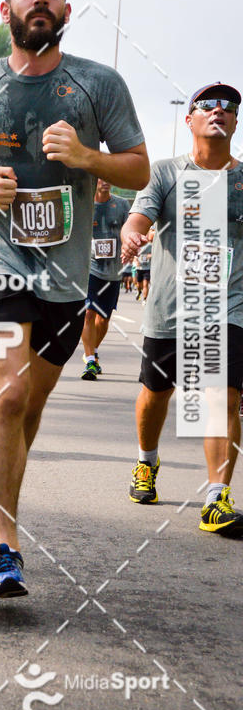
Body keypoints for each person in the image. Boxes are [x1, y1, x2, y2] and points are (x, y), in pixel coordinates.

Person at [0, 0, 148, 598]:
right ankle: (5, 548)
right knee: (10, 393)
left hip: (67, 278)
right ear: (6, 9)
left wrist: (86, 157)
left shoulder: (99, 85)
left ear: (68, 11)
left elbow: (138, 169)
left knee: (29, 407)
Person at [122, 81, 243, 536]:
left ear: (235, 122)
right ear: (188, 118)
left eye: (229, 106)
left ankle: (216, 497)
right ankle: (146, 462)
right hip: (172, 307)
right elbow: (140, 215)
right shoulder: (165, 172)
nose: (219, 110)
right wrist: (131, 234)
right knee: (157, 393)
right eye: (207, 104)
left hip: (228, 305)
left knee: (222, 394)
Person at [80, 179, 130, 380]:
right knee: (89, 312)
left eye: (110, 177)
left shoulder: (122, 205)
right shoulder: (84, 205)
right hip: (89, 268)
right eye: (101, 177)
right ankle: (90, 360)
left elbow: (129, 229)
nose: (106, 181)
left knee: (104, 318)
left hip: (113, 270)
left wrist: (129, 245)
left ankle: (92, 351)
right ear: (93, 180)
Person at [134, 231, 153, 302]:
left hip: (147, 268)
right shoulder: (138, 244)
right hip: (139, 268)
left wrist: (149, 256)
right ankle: (139, 291)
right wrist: (136, 261)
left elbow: (154, 253)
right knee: (139, 285)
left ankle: (145, 299)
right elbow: (135, 255)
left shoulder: (150, 245)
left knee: (145, 284)